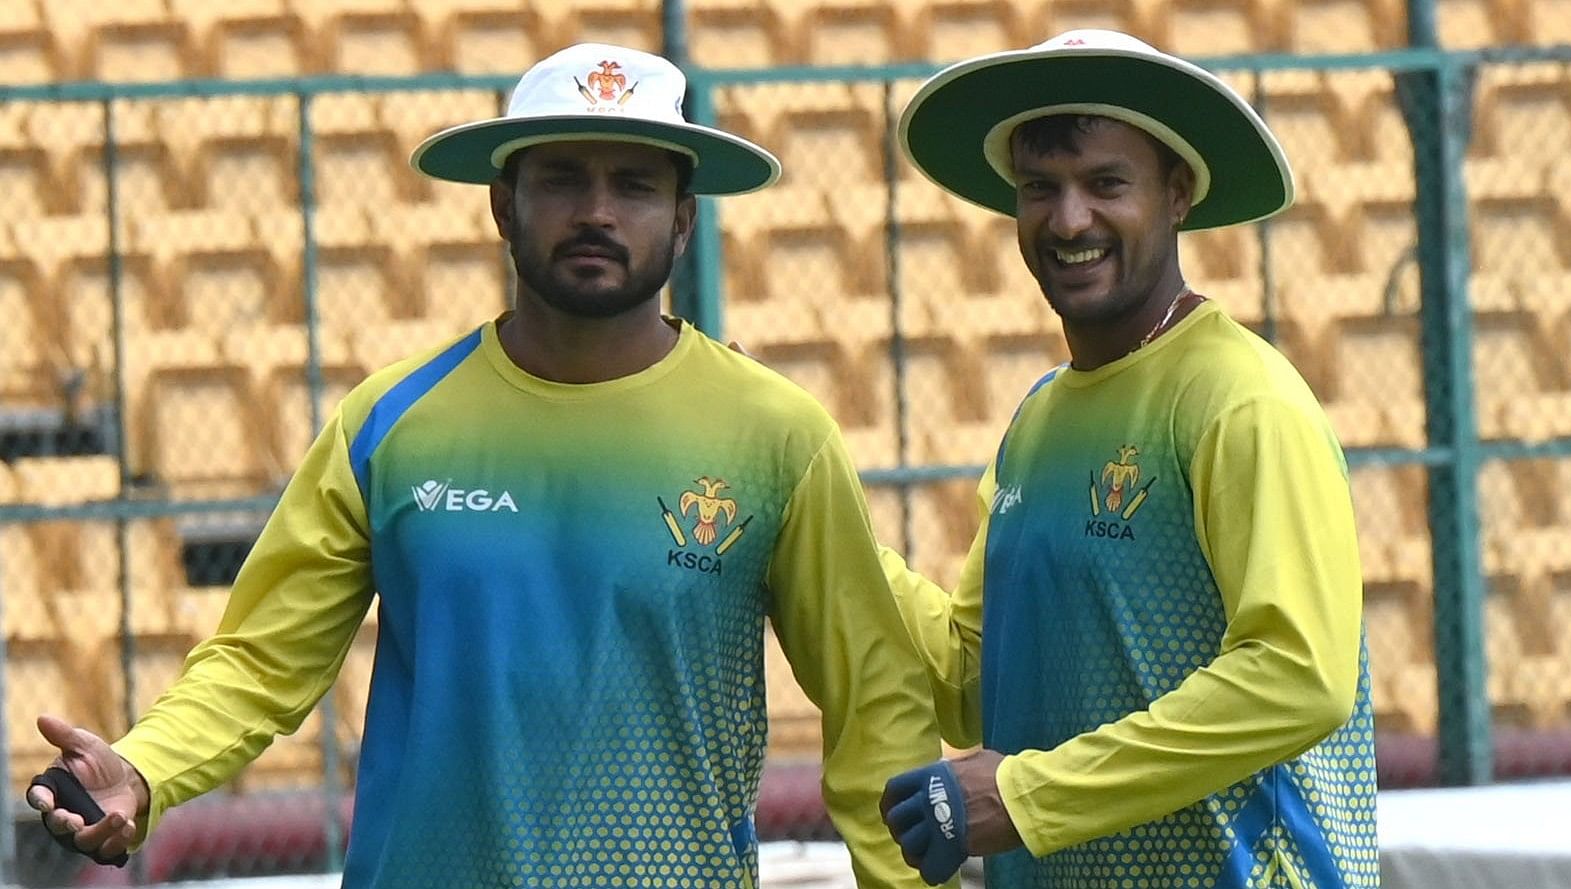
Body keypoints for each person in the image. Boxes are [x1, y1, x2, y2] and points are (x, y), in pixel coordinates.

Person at [27, 42, 949, 889]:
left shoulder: (777, 434)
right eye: (560, 180)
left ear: (682, 219)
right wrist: (146, 765)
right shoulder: (390, 422)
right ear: (503, 202)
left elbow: (874, 704)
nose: (595, 210)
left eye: (632, 184)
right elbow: (261, 662)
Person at [874, 30, 1380, 888]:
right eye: (1041, 189)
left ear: (1177, 193)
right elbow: (972, 683)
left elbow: (1299, 676)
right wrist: (829, 534)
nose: (1069, 220)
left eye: (1105, 183)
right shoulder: (1036, 419)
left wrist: (1029, 797)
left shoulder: (1239, 397)